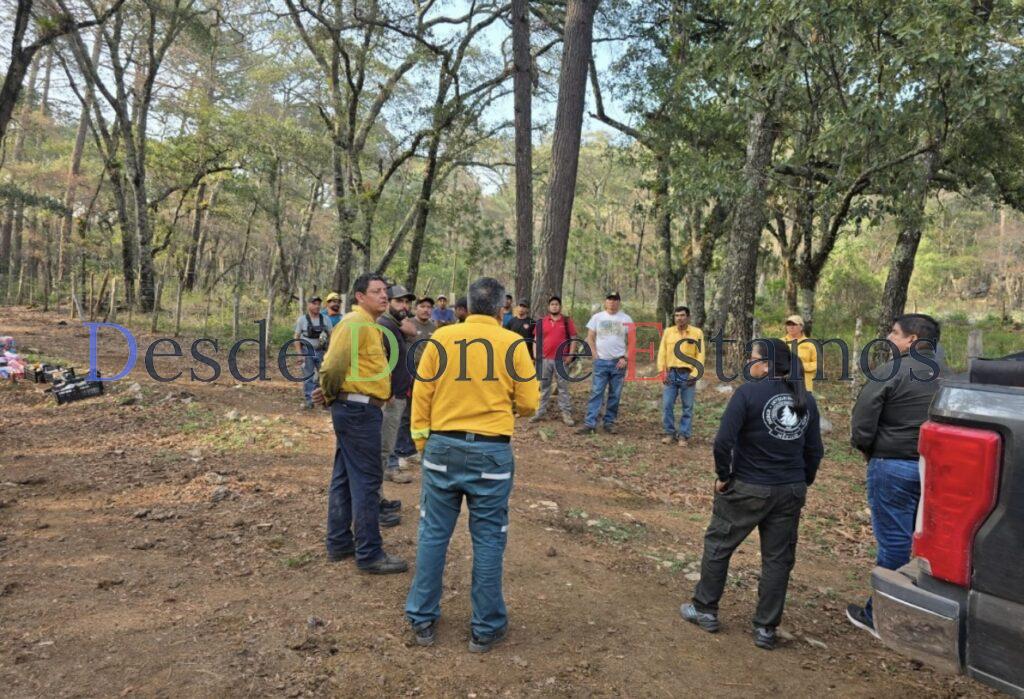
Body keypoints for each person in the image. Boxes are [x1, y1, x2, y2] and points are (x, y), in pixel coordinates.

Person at [405, 277, 539, 653]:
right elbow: (529, 403)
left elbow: (423, 394)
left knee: (433, 534)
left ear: (467, 307)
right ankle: (485, 627)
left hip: (442, 448)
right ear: (501, 310)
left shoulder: (442, 339)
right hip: (490, 454)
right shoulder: (512, 343)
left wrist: (422, 442)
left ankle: (421, 618)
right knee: (488, 540)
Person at [680, 339, 824, 651]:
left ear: (768, 364)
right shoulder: (806, 399)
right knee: (777, 560)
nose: (749, 362)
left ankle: (704, 609)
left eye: (753, 358)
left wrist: (723, 477)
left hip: (748, 487)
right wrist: (801, 483)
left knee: (719, 545)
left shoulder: (747, 393)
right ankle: (765, 629)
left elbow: (722, 442)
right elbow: (815, 451)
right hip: (789, 490)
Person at [846, 314, 944, 637]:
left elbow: (862, 420)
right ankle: (922, 610)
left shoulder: (892, 371)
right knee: (925, 544)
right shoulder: (950, 378)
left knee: (894, 543)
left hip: (893, 467)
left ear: (913, 340)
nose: (889, 338)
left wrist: (868, 450)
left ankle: (881, 617)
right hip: (935, 472)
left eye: (895, 333)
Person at [313, 272, 408, 574]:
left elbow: (357, 368)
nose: (383, 296)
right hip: (357, 413)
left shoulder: (369, 326)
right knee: (367, 482)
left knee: (343, 478)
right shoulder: (354, 324)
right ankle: (369, 553)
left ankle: (340, 542)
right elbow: (332, 366)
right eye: (376, 291)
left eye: (385, 291)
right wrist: (330, 394)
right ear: (360, 296)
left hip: (359, 409)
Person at [377, 284, 417, 487]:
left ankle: (388, 469)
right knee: (385, 440)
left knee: (390, 437)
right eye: (399, 301)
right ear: (387, 303)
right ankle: (384, 477)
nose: (404, 305)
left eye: (406, 301)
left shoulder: (395, 324)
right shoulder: (385, 325)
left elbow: (413, 331)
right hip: (390, 395)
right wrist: (388, 391)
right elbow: (380, 362)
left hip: (400, 392)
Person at [577, 292, 633, 435]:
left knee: (615, 394)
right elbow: (590, 337)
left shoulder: (626, 318)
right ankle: (590, 424)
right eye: (610, 299)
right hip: (601, 361)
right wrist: (595, 355)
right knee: (596, 392)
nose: (612, 302)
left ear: (619, 302)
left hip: (618, 363)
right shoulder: (597, 317)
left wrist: (625, 358)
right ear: (605, 301)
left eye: (615, 300)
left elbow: (632, 341)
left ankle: (609, 423)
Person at [657, 306, 705, 446]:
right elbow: (662, 353)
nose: (679, 318)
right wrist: (662, 371)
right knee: (667, 405)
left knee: (687, 407)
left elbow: (700, 355)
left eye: (682, 315)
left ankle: (683, 435)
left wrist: (695, 374)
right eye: (677, 315)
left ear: (688, 317)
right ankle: (669, 433)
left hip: (688, 374)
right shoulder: (668, 332)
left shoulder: (697, 333)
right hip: (671, 373)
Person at [530, 296, 577, 426]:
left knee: (563, 388)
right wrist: (535, 355)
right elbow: (536, 340)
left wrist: (571, 355)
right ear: (548, 307)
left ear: (560, 306)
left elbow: (573, 338)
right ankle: (540, 412)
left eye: (557, 304)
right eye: (552, 304)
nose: (554, 306)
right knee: (544, 387)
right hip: (545, 360)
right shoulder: (542, 322)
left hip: (561, 360)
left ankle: (566, 413)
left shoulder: (567, 321)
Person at [293, 296, 331, 409]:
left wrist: (330, 351)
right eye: (314, 303)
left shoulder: (325, 319)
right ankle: (310, 400)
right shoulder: (302, 320)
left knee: (325, 376)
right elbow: (296, 336)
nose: (317, 306)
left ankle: (326, 400)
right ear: (309, 305)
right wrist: (299, 353)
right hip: (306, 351)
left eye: (319, 304)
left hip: (321, 351)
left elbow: (332, 334)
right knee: (308, 376)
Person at [780, 315, 818, 392]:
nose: (791, 327)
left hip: (804, 386)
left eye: (794, 324)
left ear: (801, 327)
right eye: (788, 324)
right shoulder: (780, 342)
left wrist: (800, 365)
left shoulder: (811, 344)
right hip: (784, 385)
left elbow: (818, 364)